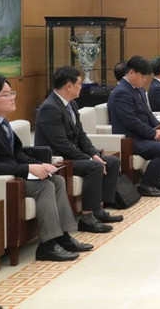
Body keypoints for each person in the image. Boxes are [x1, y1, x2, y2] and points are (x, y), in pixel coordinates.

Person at [0, 74, 94, 262]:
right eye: (6, 95)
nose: (13, 97)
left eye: (12, 93)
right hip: (4, 180)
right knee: (45, 186)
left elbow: (16, 153)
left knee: (56, 180)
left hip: (12, 174)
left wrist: (40, 165)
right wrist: (27, 170)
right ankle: (47, 246)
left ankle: (63, 237)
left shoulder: (3, 122)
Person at [34, 66, 123, 233]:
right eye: (79, 83)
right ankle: (87, 217)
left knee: (111, 161)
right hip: (58, 159)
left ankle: (98, 210)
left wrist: (94, 154)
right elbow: (61, 145)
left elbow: (81, 135)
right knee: (94, 166)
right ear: (69, 86)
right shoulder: (49, 108)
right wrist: (89, 159)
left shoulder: (72, 104)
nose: (81, 87)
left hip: (71, 154)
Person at [108, 56, 160, 197]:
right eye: (142, 76)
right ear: (131, 73)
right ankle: (146, 185)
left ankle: (159, 180)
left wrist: (159, 127)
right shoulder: (121, 93)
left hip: (142, 135)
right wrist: (152, 134)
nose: (145, 80)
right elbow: (131, 121)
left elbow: (147, 113)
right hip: (130, 139)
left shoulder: (138, 89)